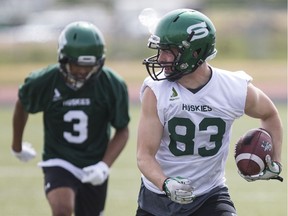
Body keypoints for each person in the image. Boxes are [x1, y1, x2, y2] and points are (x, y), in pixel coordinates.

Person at [136, 9, 283, 216]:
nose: (161, 59)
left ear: (195, 52)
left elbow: (269, 114)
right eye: (160, 50)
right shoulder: (156, 90)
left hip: (209, 195)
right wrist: (166, 183)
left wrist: (274, 161)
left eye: (169, 50)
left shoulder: (232, 88)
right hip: (158, 199)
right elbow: (144, 155)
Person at [11, 21, 130, 216]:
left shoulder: (112, 84)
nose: (82, 71)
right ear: (63, 59)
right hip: (59, 158)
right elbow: (22, 104)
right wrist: (16, 146)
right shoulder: (44, 81)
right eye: (76, 66)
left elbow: (123, 130)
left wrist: (104, 165)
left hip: (94, 161)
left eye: (89, 66)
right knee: (62, 210)